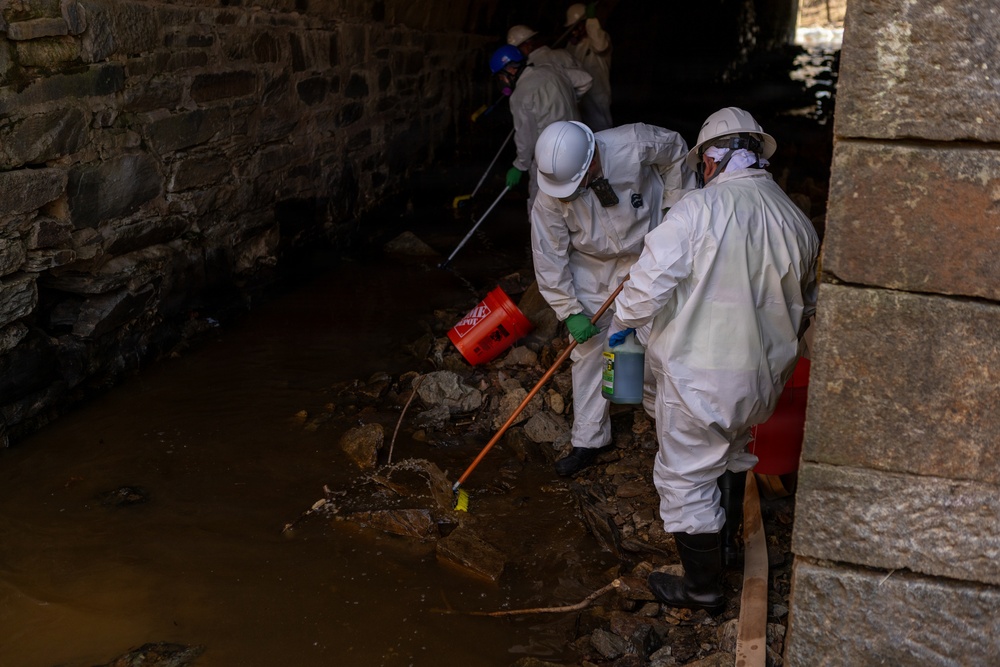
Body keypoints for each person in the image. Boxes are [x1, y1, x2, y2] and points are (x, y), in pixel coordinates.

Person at [607, 107, 820, 614]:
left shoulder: (697, 212)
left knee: (683, 478)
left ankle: (702, 586)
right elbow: (805, 308)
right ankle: (722, 546)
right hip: (763, 381)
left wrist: (626, 319)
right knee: (729, 455)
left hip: (698, 378)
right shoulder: (797, 221)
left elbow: (638, 300)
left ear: (709, 160)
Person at [530, 120, 696, 476]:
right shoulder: (550, 196)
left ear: (591, 161)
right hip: (593, 269)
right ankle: (589, 439)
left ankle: (672, 432)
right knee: (588, 352)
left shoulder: (633, 142)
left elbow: (676, 151)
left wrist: (674, 206)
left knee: (660, 341)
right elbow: (549, 255)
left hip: (650, 254)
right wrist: (568, 309)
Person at [489, 45, 592, 214]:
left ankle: (540, 238)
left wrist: (519, 165)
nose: (502, 82)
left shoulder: (520, 95)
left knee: (542, 206)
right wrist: (571, 100)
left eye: (501, 77)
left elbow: (526, 139)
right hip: (579, 143)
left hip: (549, 156)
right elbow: (586, 79)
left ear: (510, 70)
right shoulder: (551, 69)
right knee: (580, 197)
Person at [564, 3, 613, 131]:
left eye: (576, 27)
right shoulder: (572, 46)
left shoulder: (600, 39)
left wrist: (592, 20)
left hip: (597, 96)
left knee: (602, 132)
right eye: (571, 28)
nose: (574, 32)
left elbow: (600, 46)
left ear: (585, 24)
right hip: (580, 97)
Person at [507, 24, 581, 70]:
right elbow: (584, 78)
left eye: (518, 49)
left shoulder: (530, 69)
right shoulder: (563, 53)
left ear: (527, 44)